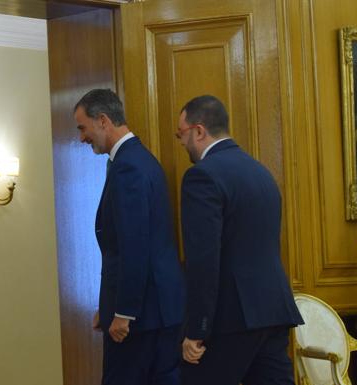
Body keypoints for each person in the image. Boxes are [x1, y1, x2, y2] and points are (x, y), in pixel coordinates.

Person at [176, 95, 303, 385]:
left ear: (198, 130)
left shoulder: (202, 176)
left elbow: (203, 260)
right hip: (273, 311)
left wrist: (197, 329)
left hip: (231, 318)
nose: (181, 143)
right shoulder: (261, 173)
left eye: (180, 134)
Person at [74, 89, 185, 385]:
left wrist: (123, 312)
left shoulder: (128, 167)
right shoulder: (139, 159)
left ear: (103, 120)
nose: (82, 137)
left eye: (83, 127)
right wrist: (108, 306)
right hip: (155, 311)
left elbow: (134, 245)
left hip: (142, 317)